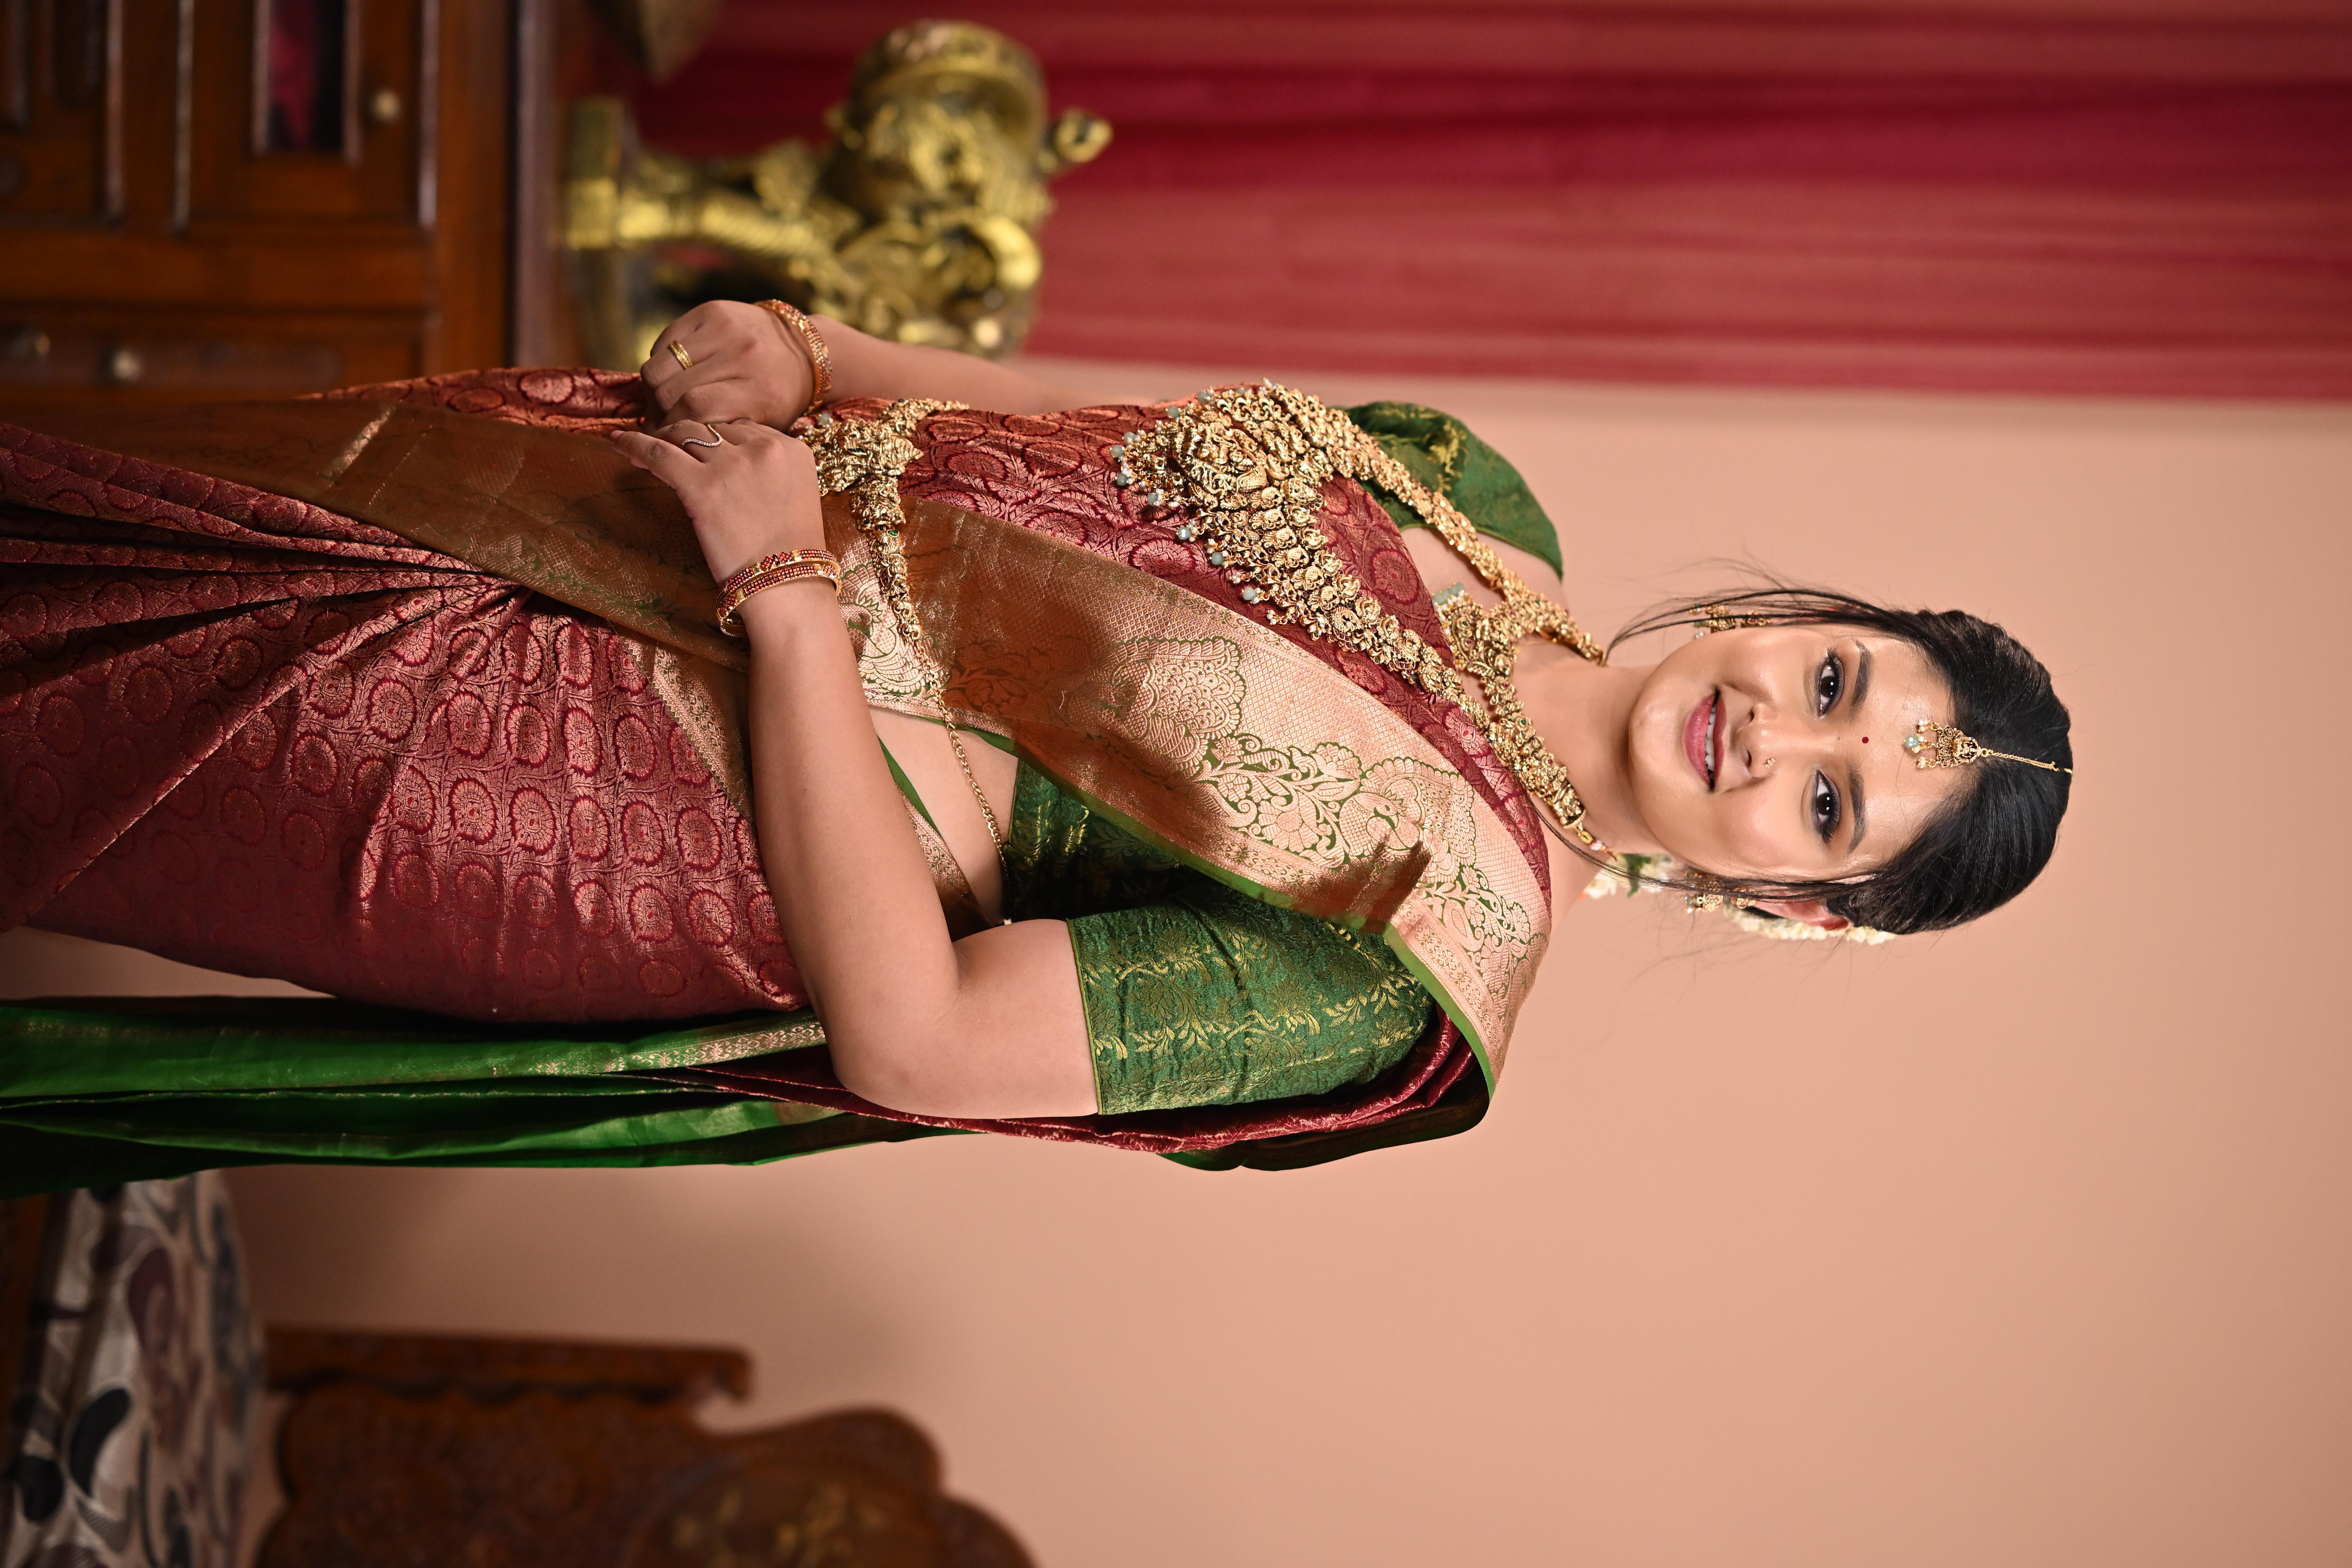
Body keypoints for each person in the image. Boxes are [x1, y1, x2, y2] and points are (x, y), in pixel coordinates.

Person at [0, 302, 2072, 1192]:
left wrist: (784, 596)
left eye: (1832, 803)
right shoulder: (1473, 491)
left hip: (617, 796)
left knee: (56, 744)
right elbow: (1093, 424)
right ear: (1803, 614)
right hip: (626, 483)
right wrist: (817, 352)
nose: (1779, 735)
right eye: (1837, 680)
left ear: (1795, 906)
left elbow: (917, 1038)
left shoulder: (1415, 973)